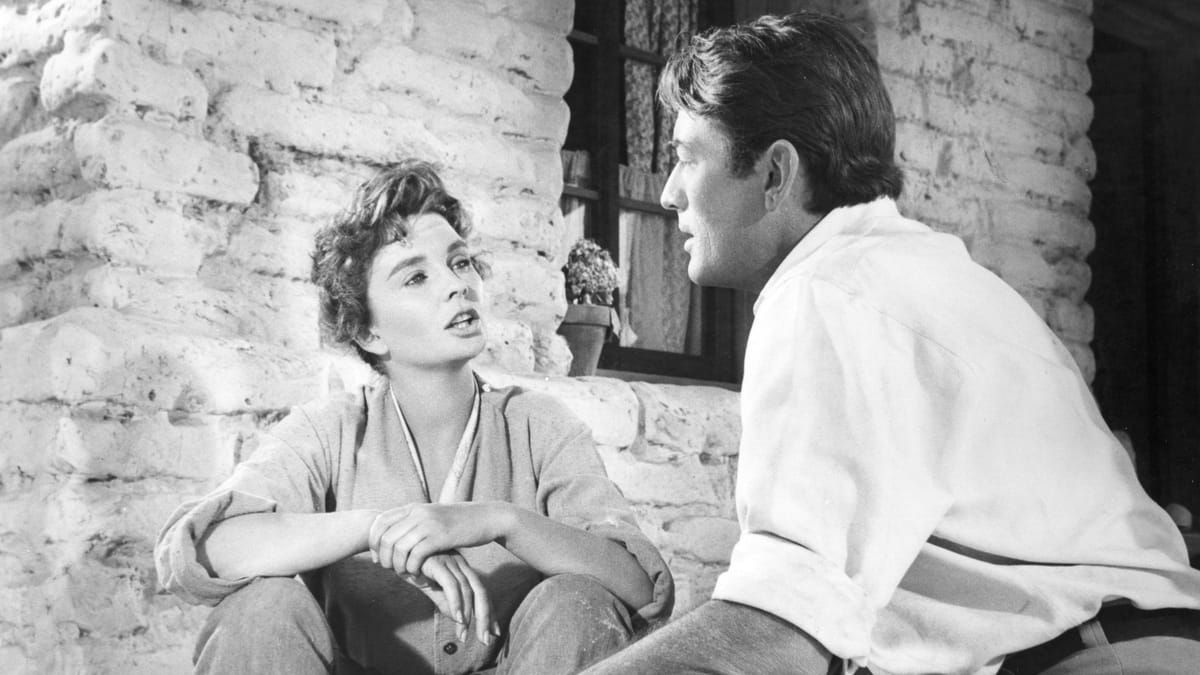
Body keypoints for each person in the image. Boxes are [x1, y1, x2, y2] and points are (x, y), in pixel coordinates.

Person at [582, 12, 1200, 675]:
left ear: (775, 173)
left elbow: (778, 634)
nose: (669, 193)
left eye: (685, 157)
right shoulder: (915, 271)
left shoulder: (825, 293)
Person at [155, 160, 673, 675]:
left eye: (460, 263)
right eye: (417, 276)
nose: (456, 285)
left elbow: (639, 587)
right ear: (368, 332)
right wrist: (378, 529)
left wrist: (500, 521)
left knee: (578, 601)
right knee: (259, 610)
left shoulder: (539, 425)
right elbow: (202, 549)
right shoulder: (327, 431)